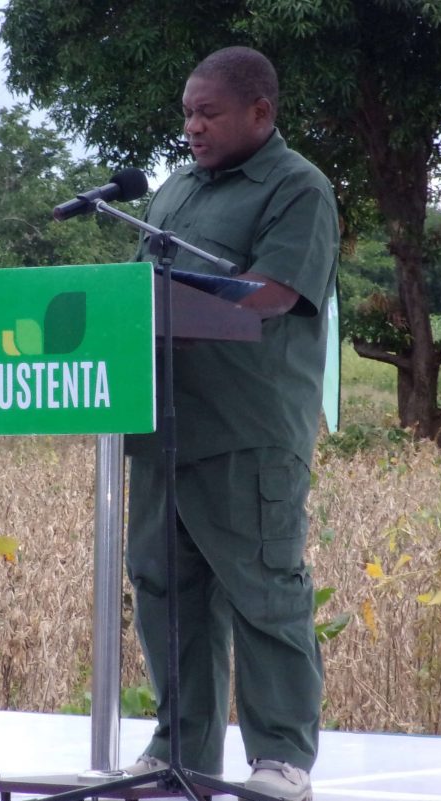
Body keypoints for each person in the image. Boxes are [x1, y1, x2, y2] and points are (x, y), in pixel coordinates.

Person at [122, 46, 339, 801]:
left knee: (264, 592)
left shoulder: (296, 187)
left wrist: (190, 300)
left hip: (248, 431)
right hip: (162, 426)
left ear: (260, 112)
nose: (193, 126)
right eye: (187, 113)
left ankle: (282, 759)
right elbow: (136, 294)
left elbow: (275, 292)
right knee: (164, 590)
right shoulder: (174, 189)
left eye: (209, 113)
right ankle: (180, 750)